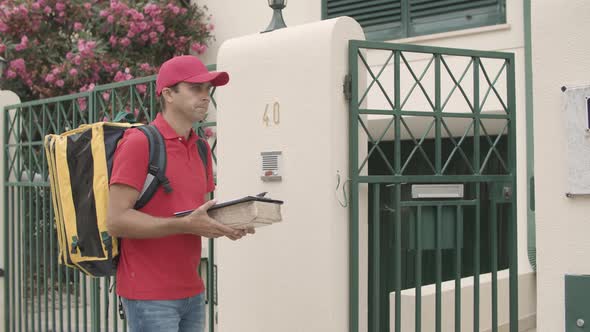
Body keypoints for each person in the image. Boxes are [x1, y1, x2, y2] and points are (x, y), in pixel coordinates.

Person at [106, 55, 253, 332]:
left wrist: (228, 225)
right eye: (195, 88)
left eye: (208, 89)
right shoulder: (139, 143)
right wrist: (183, 225)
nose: (205, 96)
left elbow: (196, 213)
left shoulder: (201, 148)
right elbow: (116, 220)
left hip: (192, 292)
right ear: (168, 94)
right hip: (149, 295)